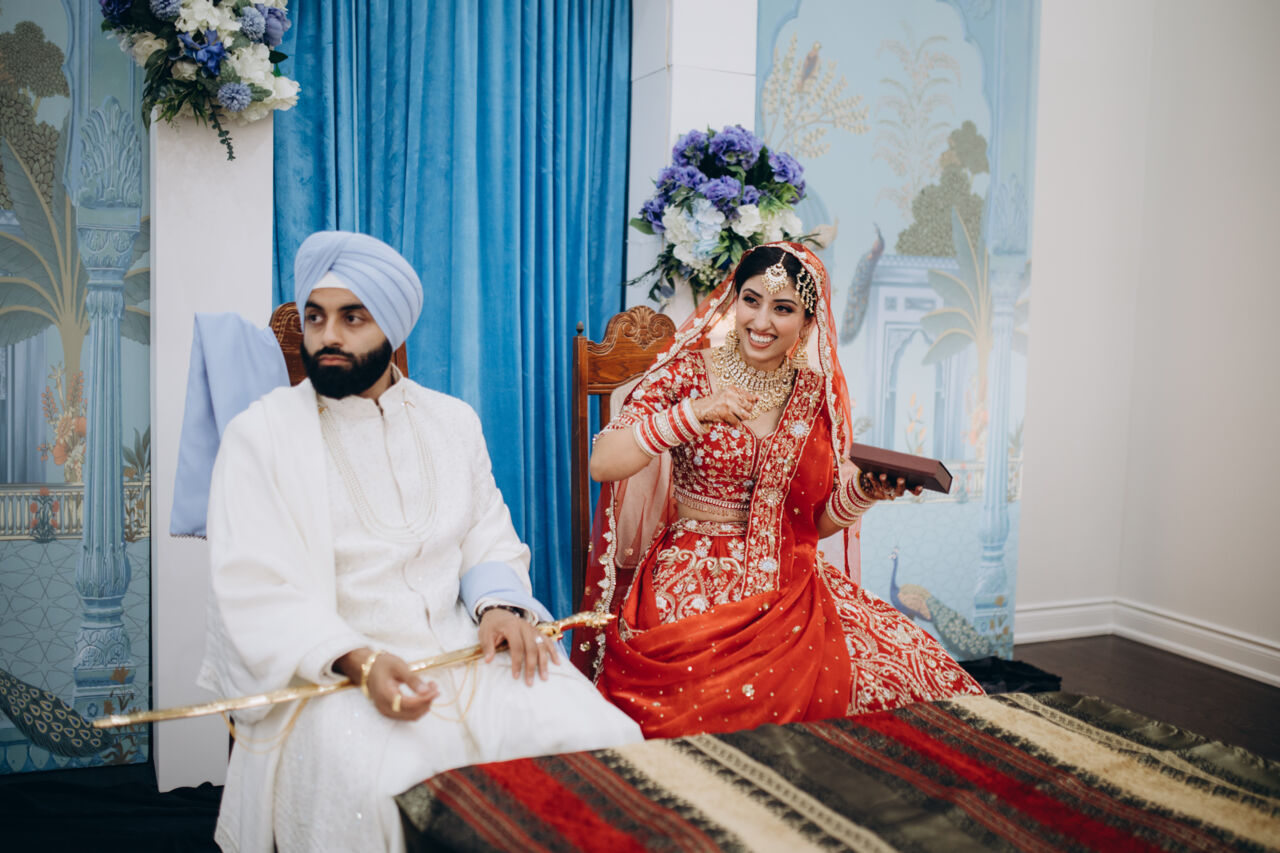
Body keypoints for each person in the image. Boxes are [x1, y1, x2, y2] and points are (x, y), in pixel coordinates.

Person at [197, 231, 642, 853]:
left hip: (467, 650)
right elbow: (253, 586)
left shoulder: (451, 421)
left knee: (598, 735)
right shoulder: (262, 436)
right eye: (316, 317)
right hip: (333, 674)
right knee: (397, 789)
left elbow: (487, 533)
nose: (327, 336)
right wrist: (358, 659)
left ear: (394, 326)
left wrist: (501, 608)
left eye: (353, 318)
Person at [574, 241, 982, 738]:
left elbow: (815, 522)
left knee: (914, 676)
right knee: (724, 698)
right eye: (751, 300)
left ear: (808, 322)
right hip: (692, 571)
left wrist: (864, 491)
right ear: (734, 301)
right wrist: (694, 413)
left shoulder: (814, 395)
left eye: (783, 308)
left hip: (793, 580)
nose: (761, 321)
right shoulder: (687, 373)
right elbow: (603, 462)